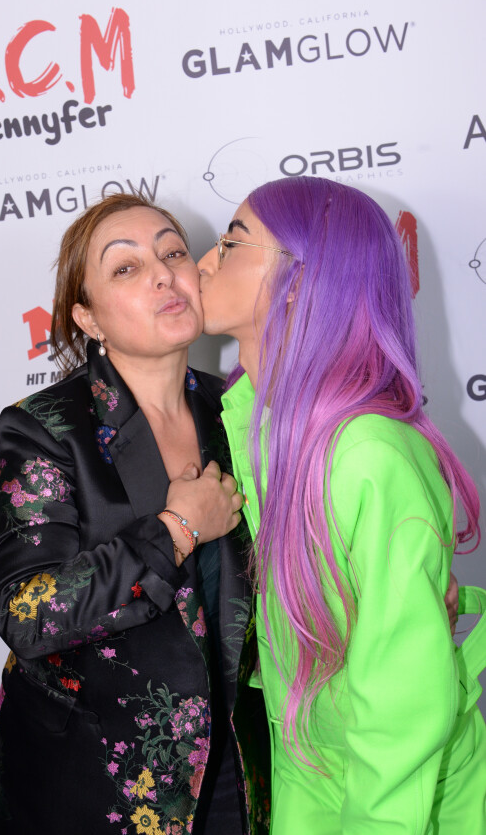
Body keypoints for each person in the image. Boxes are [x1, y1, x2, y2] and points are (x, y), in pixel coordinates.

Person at [0, 193, 270, 835]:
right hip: (90, 781)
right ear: (89, 316)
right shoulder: (46, 429)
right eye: (125, 268)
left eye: (173, 252)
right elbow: (28, 612)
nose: (163, 273)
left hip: (233, 771)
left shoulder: (237, 412)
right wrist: (174, 532)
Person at [198, 176, 486, 834]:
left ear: (299, 280)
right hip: (314, 772)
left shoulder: (367, 454)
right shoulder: (260, 425)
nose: (205, 260)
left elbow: (403, 713)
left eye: (233, 241)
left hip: (400, 799)